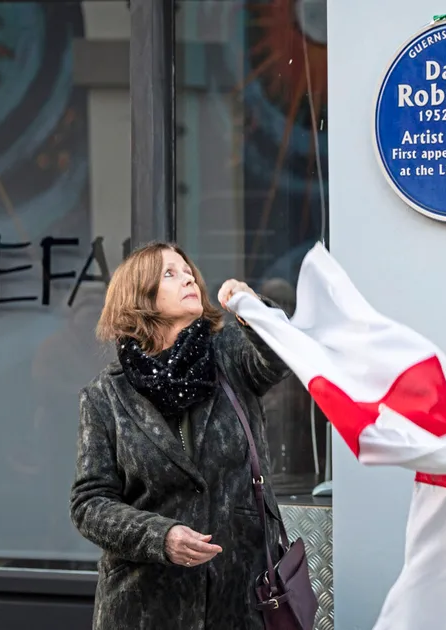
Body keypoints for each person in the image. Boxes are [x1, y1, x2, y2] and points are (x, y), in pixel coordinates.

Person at [69, 242, 293, 629]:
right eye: (169, 273)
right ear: (140, 297)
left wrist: (252, 308)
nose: (188, 276)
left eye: (187, 270)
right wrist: (161, 535)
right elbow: (89, 504)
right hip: (144, 604)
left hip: (240, 595)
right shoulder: (105, 395)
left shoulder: (230, 357)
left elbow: (280, 356)